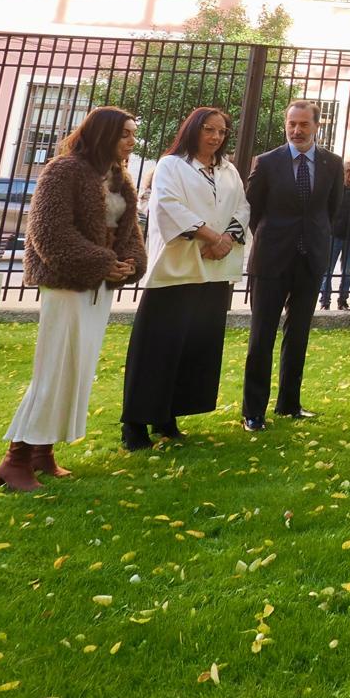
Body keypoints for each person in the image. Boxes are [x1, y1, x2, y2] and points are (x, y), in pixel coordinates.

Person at [0, 108, 145, 490]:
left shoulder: (117, 177)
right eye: (125, 134)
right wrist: (103, 262)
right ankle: (15, 460)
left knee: (76, 369)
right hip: (67, 283)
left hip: (99, 284)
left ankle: (43, 452)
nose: (131, 141)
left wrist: (128, 263)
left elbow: (129, 228)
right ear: (104, 134)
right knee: (54, 370)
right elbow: (49, 233)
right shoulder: (63, 171)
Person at [119, 107, 249, 451]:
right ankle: (134, 423)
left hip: (215, 271)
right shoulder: (172, 165)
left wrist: (226, 240)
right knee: (157, 347)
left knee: (193, 347)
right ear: (193, 129)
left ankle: (167, 416)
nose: (216, 137)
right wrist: (210, 237)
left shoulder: (228, 169)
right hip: (178, 271)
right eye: (209, 130)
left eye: (221, 132)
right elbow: (168, 207)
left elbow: (242, 208)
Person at [240, 100, 343, 431]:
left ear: (316, 126)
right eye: (291, 124)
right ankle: (253, 411)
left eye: (303, 124)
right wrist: (272, 239)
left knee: (298, 335)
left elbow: (331, 210)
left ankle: (289, 404)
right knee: (262, 337)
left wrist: (313, 240)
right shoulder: (267, 162)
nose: (296, 130)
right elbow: (251, 209)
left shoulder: (332, 163)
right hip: (271, 260)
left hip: (310, 258)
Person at [320, 159, 350, 310]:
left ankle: (343, 300)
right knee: (328, 269)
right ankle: (325, 300)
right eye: (348, 171)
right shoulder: (335, 186)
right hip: (334, 233)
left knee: (347, 271)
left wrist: (346, 191)